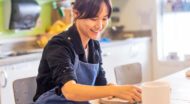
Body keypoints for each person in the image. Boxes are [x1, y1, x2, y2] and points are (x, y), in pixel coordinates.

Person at [33, 0, 141, 104]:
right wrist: (114, 90)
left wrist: (115, 90)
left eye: (104, 18)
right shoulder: (59, 45)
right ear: (76, 13)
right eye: (93, 19)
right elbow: (70, 91)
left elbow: (100, 86)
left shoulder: (94, 45)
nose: (99, 25)